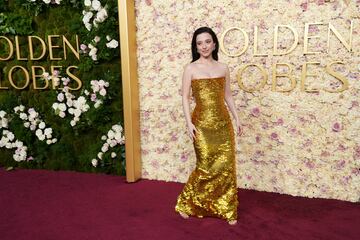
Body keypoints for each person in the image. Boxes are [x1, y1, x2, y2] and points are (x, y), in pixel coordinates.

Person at [175, 26, 242, 225]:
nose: (204, 46)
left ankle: (227, 208)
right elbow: (185, 99)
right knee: (205, 167)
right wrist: (189, 124)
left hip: (223, 125)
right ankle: (188, 203)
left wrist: (237, 118)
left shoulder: (223, 68)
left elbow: (227, 95)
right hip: (201, 125)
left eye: (207, 41)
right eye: (199, 43)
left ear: (214, 44)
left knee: (226, 166)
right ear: (195, 47)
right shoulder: (191, 69)